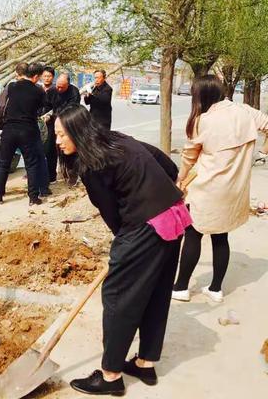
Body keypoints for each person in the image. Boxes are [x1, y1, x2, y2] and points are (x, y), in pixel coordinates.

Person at [55, 105, 191, 396]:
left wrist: (125, 247)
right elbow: (163, 162)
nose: (58, 141)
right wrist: (166, 186)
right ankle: (144, 363)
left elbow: (112, 215)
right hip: (174, 215)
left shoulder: (92, 166)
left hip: (147, 226)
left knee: (118, 296)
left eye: (61, 134)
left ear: (78, 133)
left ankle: (111, 376)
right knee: (155, 293)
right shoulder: (117, 139)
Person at [172, 76, 268, 303]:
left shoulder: (204, 120)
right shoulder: (246, 112)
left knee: (193, 234)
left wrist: (180, 180)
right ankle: (215, 289)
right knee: (220, 235)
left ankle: (181, 287)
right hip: (234, 188)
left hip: (207, 187)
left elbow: (188, 156)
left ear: (201, 96)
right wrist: (264, 151)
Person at [0, 63, 45, 206]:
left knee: (3, 162)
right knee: (31, 164)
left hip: (10, 129)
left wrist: (1, 125)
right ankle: (33, 197)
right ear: (34, 76)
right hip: (28, 129)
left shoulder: (12, 87)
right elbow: (41, 108)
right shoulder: (38, 90)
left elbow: (1, 106)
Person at [44, 72, 81, 182]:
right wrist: (46, 114)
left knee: (68, 151)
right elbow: (46, 106)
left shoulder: (74, 92)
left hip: (67, 124)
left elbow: (72, 109)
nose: (59, 89)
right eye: (58, 86)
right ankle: (51, 176)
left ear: (68, 85)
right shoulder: (51, 91)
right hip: (52, 124)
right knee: (50, 149)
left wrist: (55, 115)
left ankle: (72, 175)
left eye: (62, 87)